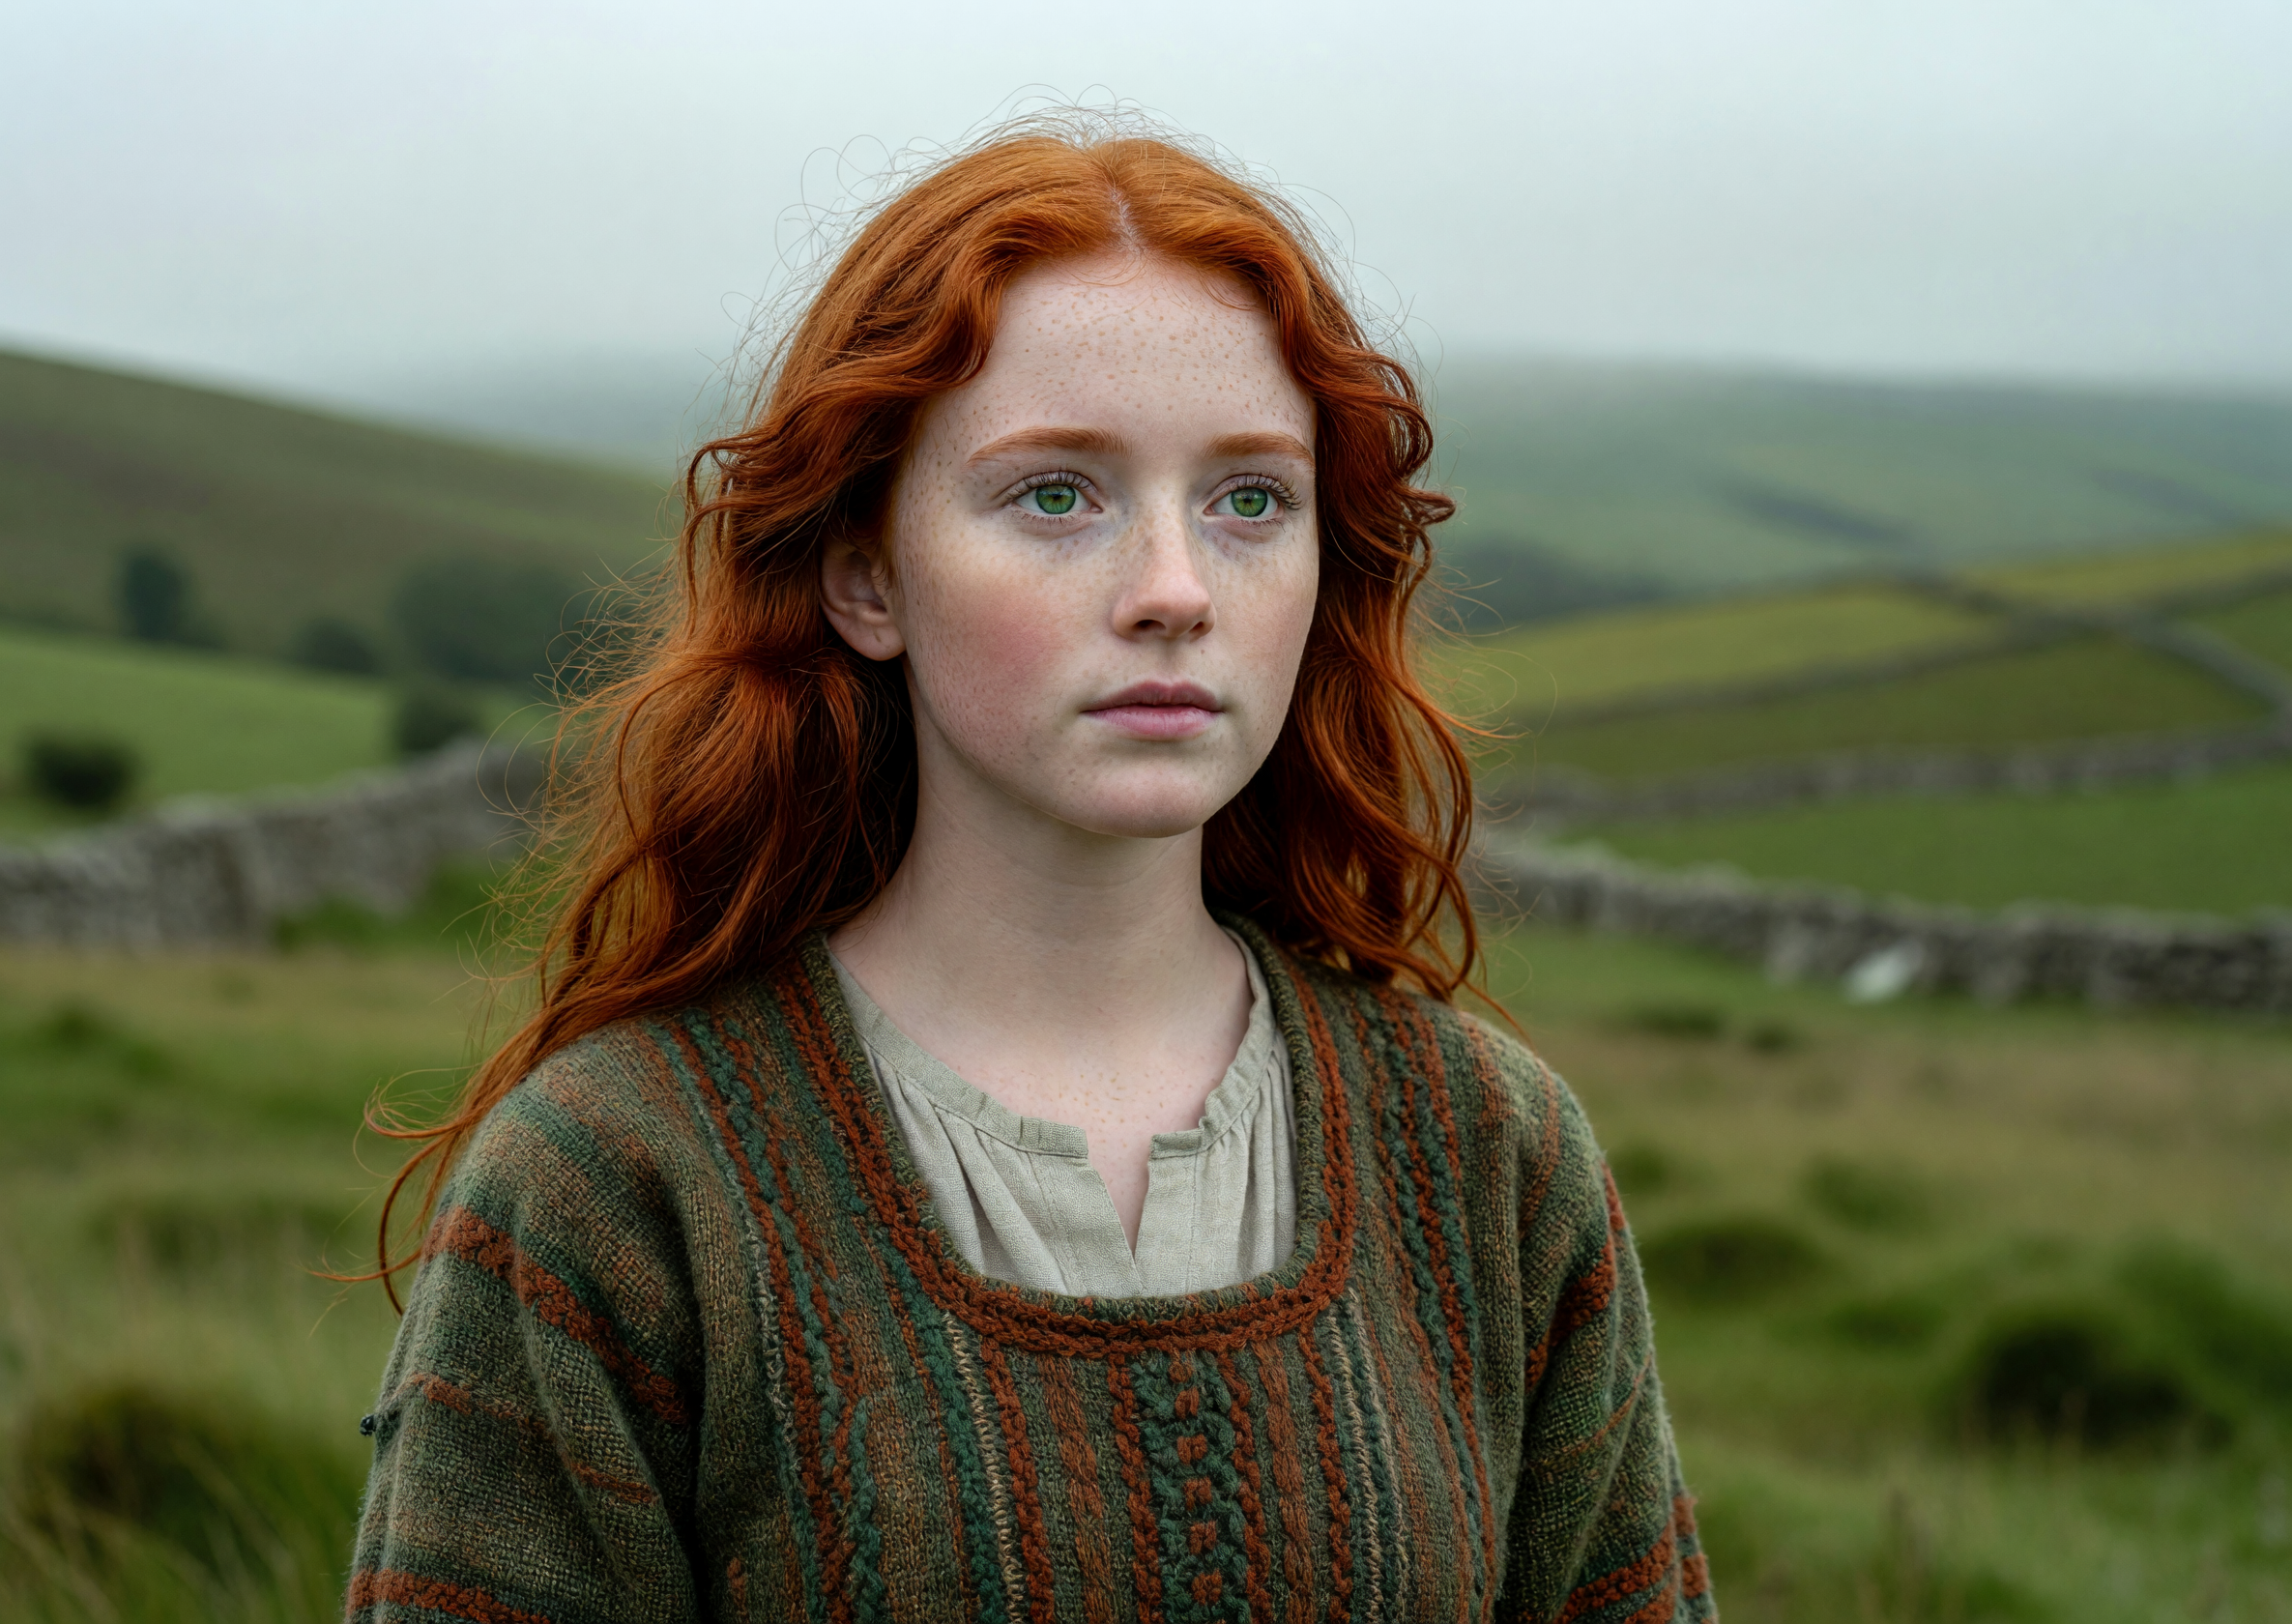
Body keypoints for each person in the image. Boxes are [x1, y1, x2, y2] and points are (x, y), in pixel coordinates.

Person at [346, 114, 1714, 1623]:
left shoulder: (1485, 1154)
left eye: (1251, 498)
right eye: (1056, 494)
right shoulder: (618, 1182)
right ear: (867, 573)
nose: (1176, 591)